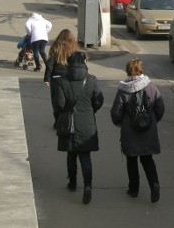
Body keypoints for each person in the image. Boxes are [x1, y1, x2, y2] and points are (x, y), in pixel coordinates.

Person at [51, 51, 103, 204]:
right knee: (85, 155)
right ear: (84, 63)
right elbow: (99, 101)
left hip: (69, 122)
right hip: (87, 121)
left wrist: (64, 113)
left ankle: (72, 182)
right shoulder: (91, 80)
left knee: (71, 154)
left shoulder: (62, 81)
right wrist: (90, 109)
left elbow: (59, 104)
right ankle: (88, 185)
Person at [110, 58, 165, 203]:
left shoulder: (123, 89)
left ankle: (134, 189)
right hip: (148, 130)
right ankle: (154, 185)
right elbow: (160, 107)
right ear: (141, 69)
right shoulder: (151, 87)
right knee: (147, 159)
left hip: (130, 131)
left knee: (131, 160)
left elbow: (116, 112)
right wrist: (153, 121)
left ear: (128, 70)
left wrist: (119, 123)